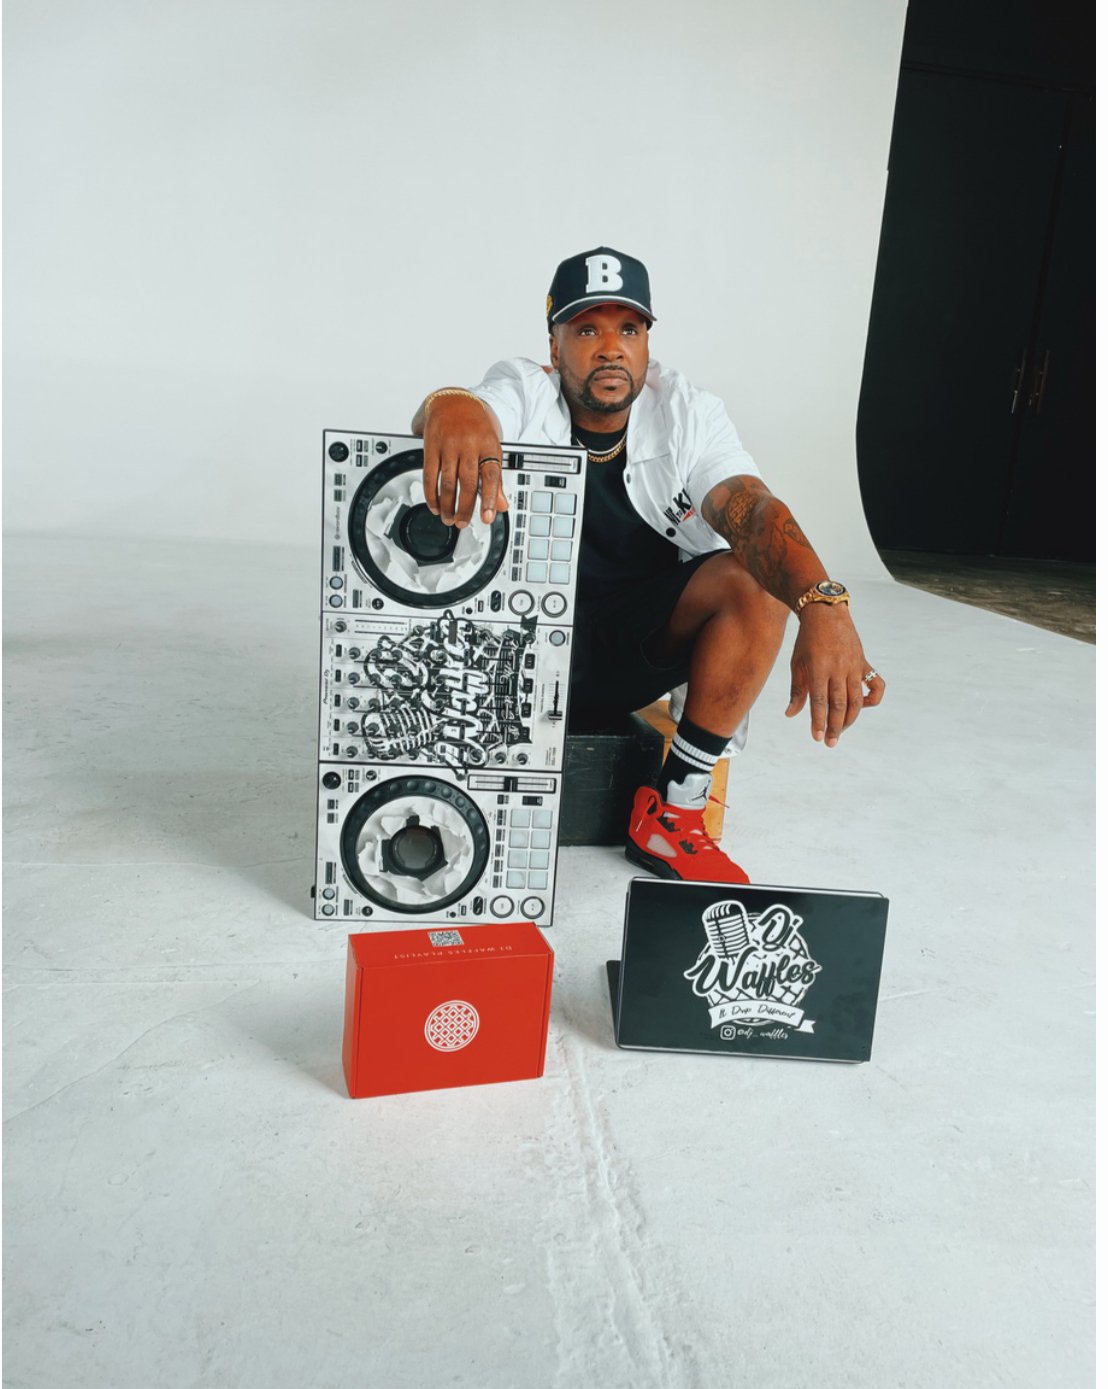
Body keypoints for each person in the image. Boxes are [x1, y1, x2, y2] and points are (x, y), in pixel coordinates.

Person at [412, 246, 885, 884]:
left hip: (631, 656)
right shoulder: (525, 389)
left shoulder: (686, 412)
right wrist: (451, 405)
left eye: (628, 329)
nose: (611, 348)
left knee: (754, 580)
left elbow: (752, 508)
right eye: (587, 330)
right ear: (555, 348)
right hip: (513, 660)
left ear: (645, 344)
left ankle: (675, 811)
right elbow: (470, 410)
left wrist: (824, 605)